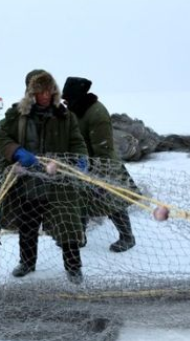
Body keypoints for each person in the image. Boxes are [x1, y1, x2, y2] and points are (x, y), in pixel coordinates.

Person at [0, 70, 88, 284]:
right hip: (28, 182)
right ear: (31, 93)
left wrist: (82, 160)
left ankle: (74, 268)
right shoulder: (17, 114)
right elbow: (1, 138)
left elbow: (77, 142)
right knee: (27, 225)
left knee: (67, 225)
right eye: (40, 92)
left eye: (48, 91)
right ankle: (27, 262)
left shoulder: (65, 115)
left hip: (59, 183)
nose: (45, 96)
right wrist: (16, 151)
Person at [61, 76, 137, 252]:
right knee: (78, 200)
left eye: (67, 99)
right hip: (81, 164)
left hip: (103, 164)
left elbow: (103, 148)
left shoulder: (97, 112)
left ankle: (127, 237)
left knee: (112, 201)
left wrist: (95, 172)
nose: (65, 103)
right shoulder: (74, 109)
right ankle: (79, 237)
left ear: (76, 97)